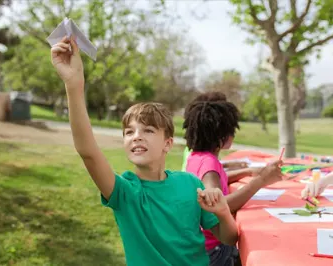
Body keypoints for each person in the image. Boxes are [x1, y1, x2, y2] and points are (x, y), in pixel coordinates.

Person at [50, 35, 238, 266]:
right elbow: (88, 151)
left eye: (148, 130)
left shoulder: (191, 184)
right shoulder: (125, 193)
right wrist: (74, 85)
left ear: (168, 144)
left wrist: (222, 211)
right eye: (129, 132)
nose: (136, 135)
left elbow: (228, 237)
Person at [183, 100, 283, 266]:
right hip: (214, 250)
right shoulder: (209, 164)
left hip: (201, 245)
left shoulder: (197, 157)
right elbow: (219, 204)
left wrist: (248, 172)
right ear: (220, 135)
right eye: (230, 131)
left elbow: (218, 179)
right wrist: (261, 180)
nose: (233, 135)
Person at [181, 92, 260, 182]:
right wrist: (260, 180)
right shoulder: (209, 163)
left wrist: (228, 165)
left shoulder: (195, 155)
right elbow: (215, 187)